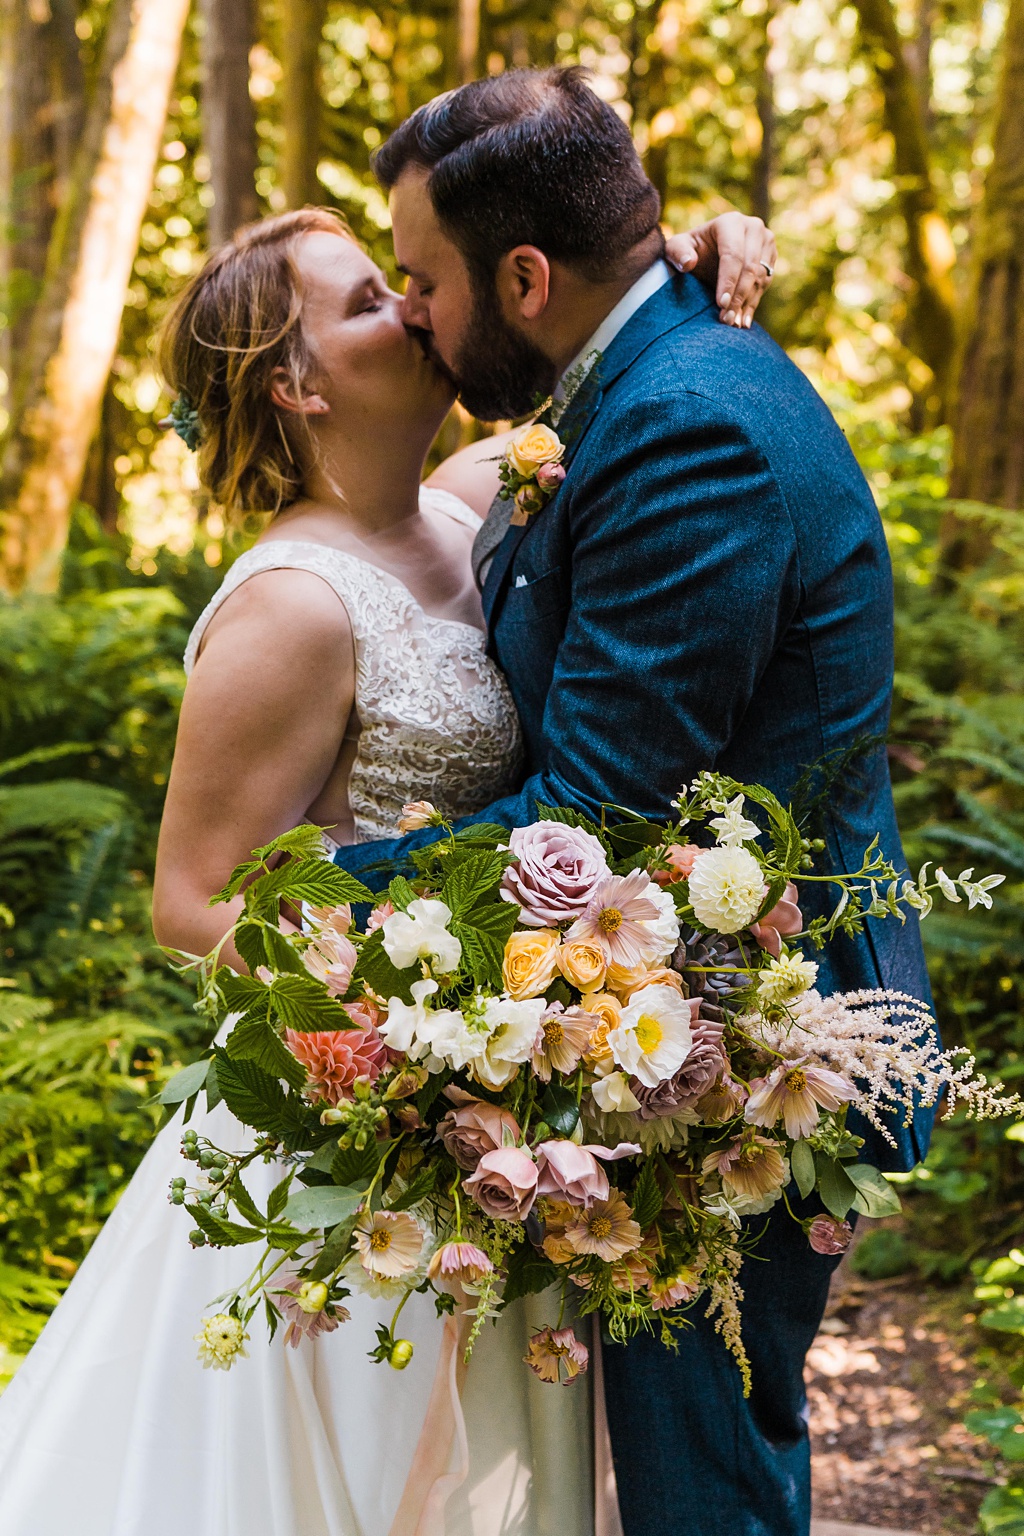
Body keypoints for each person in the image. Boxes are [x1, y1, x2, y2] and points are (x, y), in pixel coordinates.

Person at [0, 194, 775, 1536]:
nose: (417, 308)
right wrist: (392, 1036)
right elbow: (193, 898)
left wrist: (697, 248)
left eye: (401, 284)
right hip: (359, 1133)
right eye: (368, 301)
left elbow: (618, 349)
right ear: (296, 386)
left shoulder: (480, 498)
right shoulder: (292, 606)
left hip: (498, 1120)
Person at [326, 66, 936, 1536]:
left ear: (524, 276)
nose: (411, 313)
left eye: (420, 281)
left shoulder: (686, 430)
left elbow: (596, 814)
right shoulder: (632, 380)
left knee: (701, 1492)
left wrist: (307, 898)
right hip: (658, 1035)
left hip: (743, 1053)